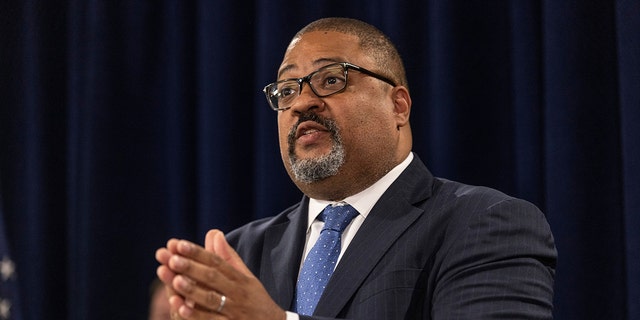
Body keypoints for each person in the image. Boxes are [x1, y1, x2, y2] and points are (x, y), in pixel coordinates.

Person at [155, 17, 557, 320]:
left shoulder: (485, 224)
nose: (301, 103)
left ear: (398, 106)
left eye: (331, 79)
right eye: (287, 90)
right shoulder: (242, 253)